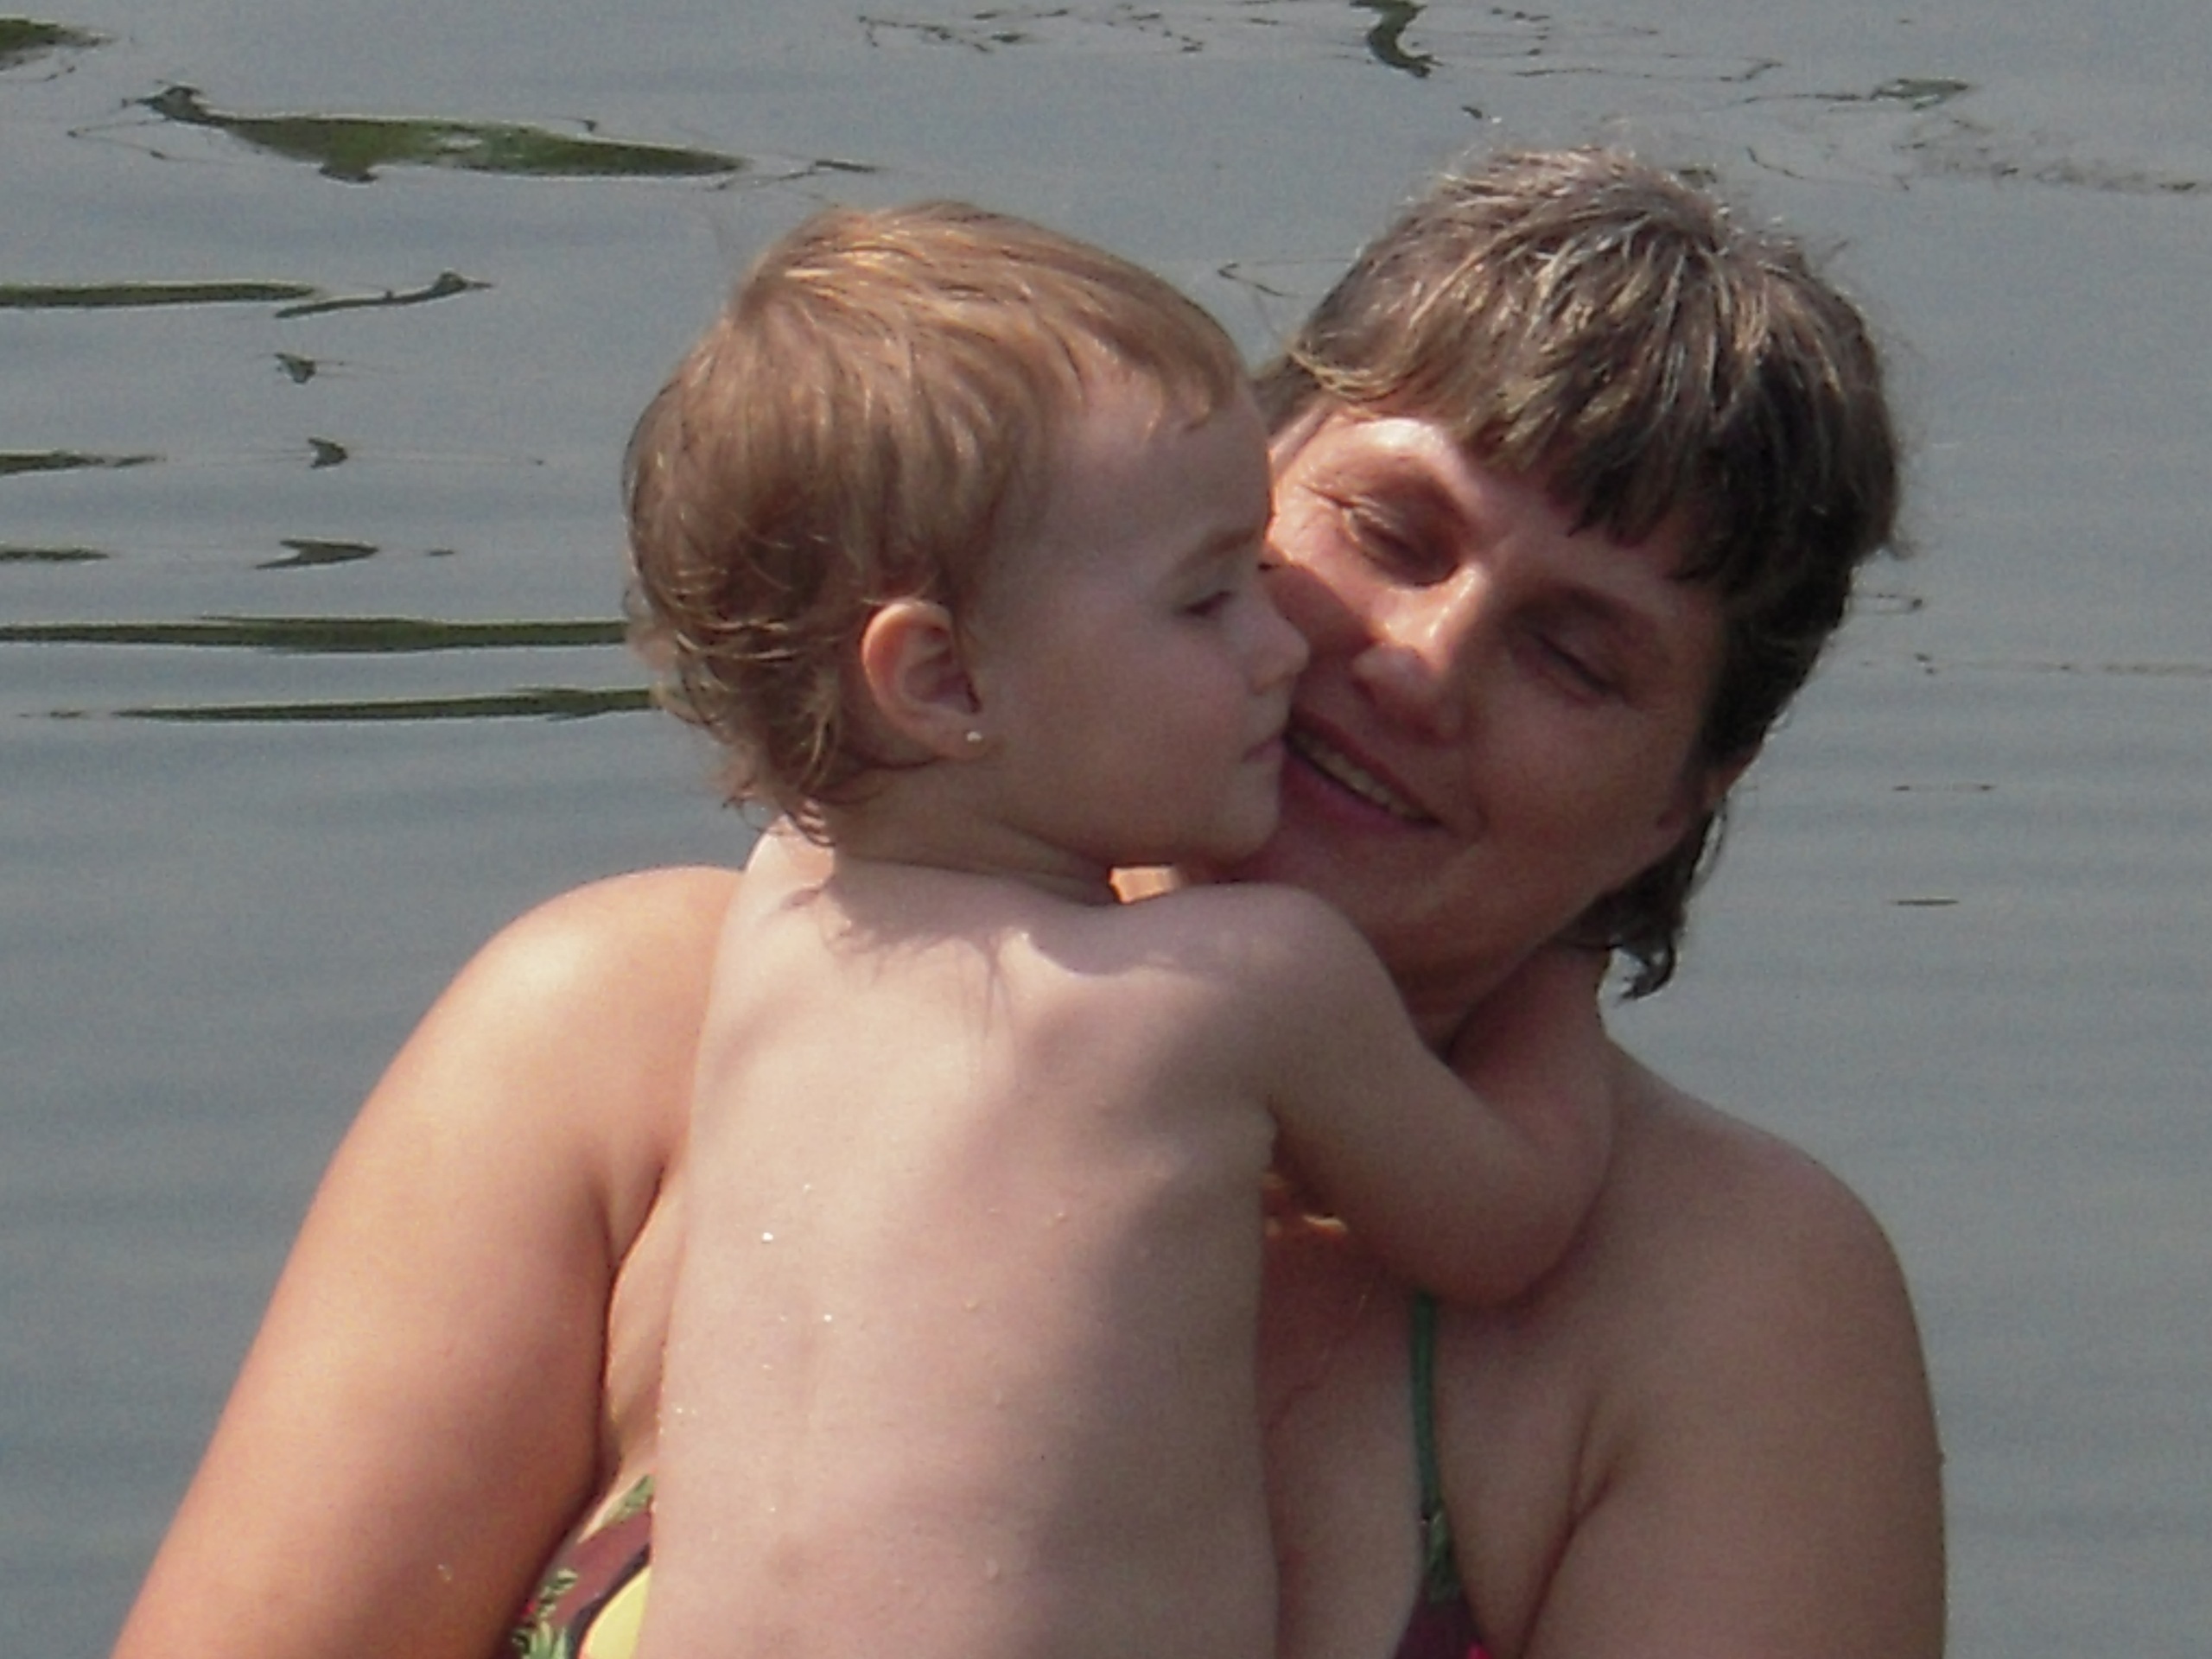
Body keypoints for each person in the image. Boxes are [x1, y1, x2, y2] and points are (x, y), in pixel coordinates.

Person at [111, 148, 1944, 1659]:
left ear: (1683, 795)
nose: (1414, 663)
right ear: (1235, 482)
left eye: (1575, 656)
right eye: (1386, 532)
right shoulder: (610, 1044)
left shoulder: (1723, 1302)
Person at [614, 200, 1609, 1659]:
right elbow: (1508, 1223)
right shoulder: (1246, 986)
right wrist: (1568, 971)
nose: (1285, 646)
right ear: (943, 682)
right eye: (1206, 601)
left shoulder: (777, 913)